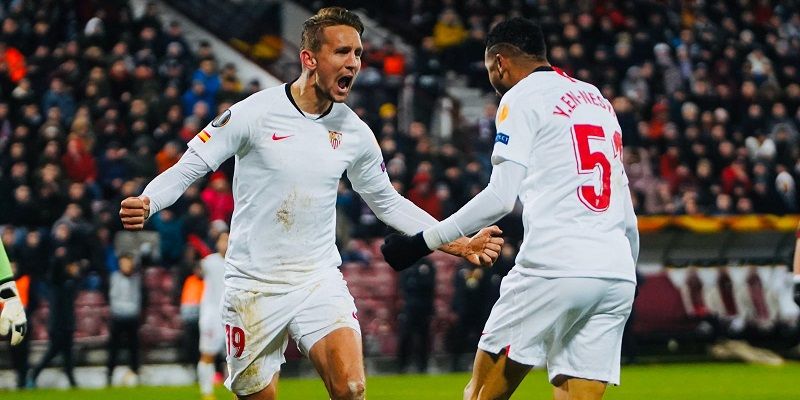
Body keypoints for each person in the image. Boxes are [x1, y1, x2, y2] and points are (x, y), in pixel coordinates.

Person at [119, 7, 502, 400]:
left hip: (316, 278)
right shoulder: (255, 113)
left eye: (357, 53)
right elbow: (192, 165)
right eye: (341, 52)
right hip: (253, 285)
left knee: (351, 389)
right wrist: (150, 199)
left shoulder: (354, 132)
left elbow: (388, 203)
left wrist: (460, 242)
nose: (353, 63)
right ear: (309, 59)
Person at [381, 18, 639, 400]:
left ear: (500, 62)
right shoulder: (596, 98)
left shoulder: (521, 97)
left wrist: (423, 242)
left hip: (556, 267)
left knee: (481, 394)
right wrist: (623, 263)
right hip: (615, 271)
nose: (491, 80)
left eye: (489, 71)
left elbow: (501, 198)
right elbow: (623, 198)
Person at [187, 231, 229, 400]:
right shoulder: (209, 262)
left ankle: (235, 390)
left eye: (228, 239)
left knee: (235, 357)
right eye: (223, 240)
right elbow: (196, 269)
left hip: (233, 315)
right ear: (217, 243)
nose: (225, 243)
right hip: (211, 315)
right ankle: (207, 392)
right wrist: (194, 253)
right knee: (207, 354)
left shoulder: (239, 262)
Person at [106, 253, 144, 386]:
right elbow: (113, 297)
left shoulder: (137, 279)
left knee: (134, 348)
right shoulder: (115, 278)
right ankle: (109, 376)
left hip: (132, 318)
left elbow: (139, 298)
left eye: (129, 263)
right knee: (113, 349)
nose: (126, 266)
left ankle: (135, 374)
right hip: (118, 317)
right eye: (124, 263)